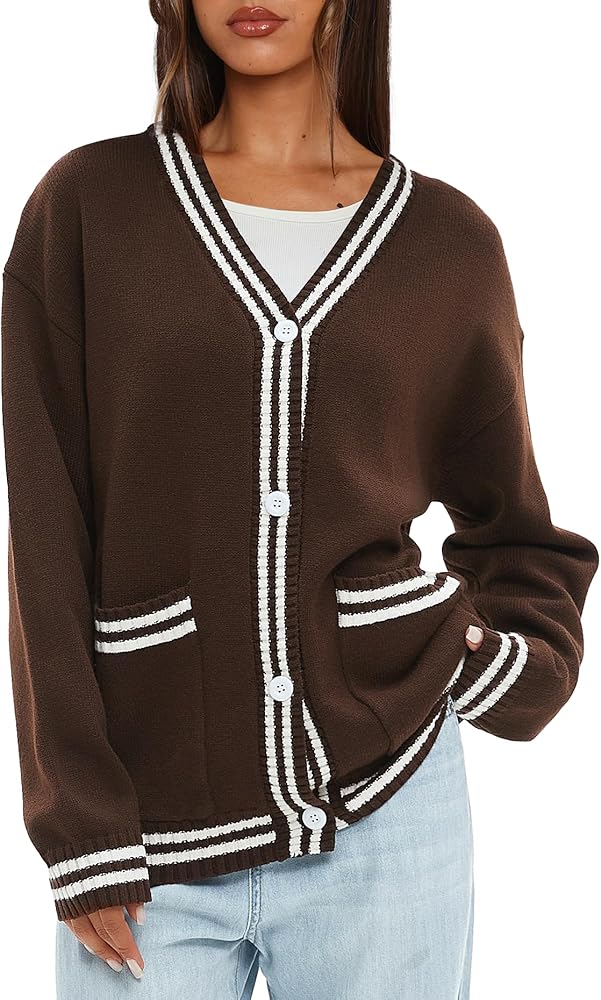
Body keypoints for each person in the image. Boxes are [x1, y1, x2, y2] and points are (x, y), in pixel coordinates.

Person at [1, 2, 598, 997]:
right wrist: (81, 826)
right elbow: (45, 529)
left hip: (390, 816)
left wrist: (496, 658)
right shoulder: (90, 209)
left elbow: (518, 534)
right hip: (148, 828)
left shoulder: (446, 243)